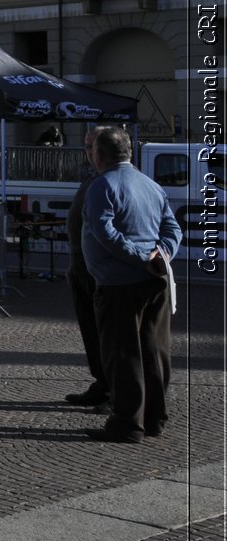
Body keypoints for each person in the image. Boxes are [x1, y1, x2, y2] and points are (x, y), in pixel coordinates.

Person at [81, 126, 182, 443]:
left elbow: (106, 234)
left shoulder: (102, 186)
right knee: (154, 351)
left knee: (123, 354)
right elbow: (172, 227)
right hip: (154, 282)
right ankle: (153, 418)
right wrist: (161, 254)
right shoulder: (150, 185)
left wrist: (143, 257)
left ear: (99, 154)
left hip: (119, 284)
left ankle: (127, 423)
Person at [62, 126, 110, 409]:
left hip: (99, 270)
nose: (88, 152)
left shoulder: (108, 181)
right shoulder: (92, 178)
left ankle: (114, 390)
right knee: (91, 331)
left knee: (107, 334)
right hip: (82, 266)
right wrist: (73, 265)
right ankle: (102, 383)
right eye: (85, 146)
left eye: (91, 146)